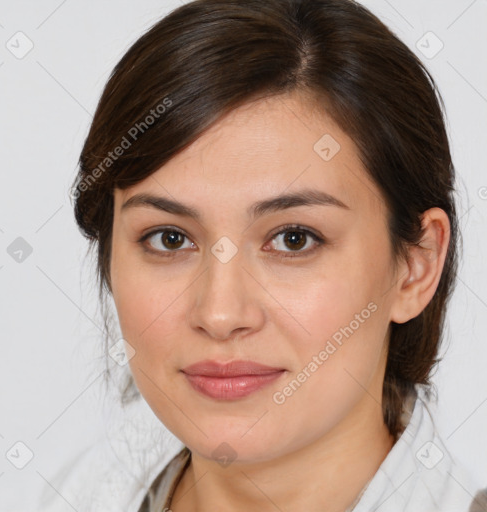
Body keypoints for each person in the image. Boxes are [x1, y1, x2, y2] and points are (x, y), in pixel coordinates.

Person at [40, 0, 486, 510]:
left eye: (294, 238)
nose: (220, 314)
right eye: (169, 238)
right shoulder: (65, 495)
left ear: (415, 266)